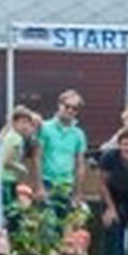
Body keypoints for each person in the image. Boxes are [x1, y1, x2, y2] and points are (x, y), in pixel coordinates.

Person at [39, 90, 88, 219]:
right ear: (59, 105)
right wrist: (38, 186)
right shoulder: (44, 128)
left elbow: (80, 165)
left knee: (65, 229)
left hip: (67, 186)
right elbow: (37, 158)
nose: (70, 110)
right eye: (67, 106)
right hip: (47, 183)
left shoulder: (79, 134)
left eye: (75, 108)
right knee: (46, 228)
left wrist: (78, 193)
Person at [0, 106, 42, 209]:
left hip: (9, 178)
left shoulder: (14, 137)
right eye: (22, 122)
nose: (26, 126)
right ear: (14, 123)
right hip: (6, 178)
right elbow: (7, 160)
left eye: (27, 123)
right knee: (8, 207)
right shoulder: (16, 138)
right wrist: (21, 168)